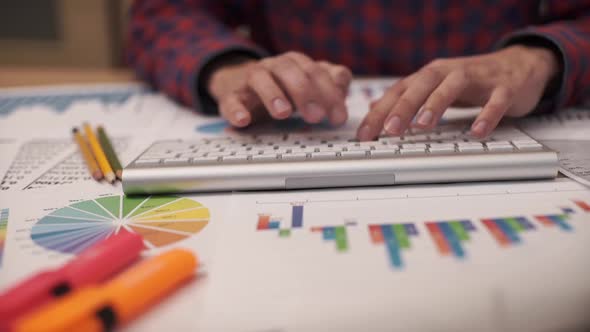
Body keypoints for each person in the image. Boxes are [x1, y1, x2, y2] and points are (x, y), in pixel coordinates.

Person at [127, 1, 590, 141]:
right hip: (295, 126)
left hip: (502, 126)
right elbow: (163, 13)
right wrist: (230, 68)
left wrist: (537, 59)